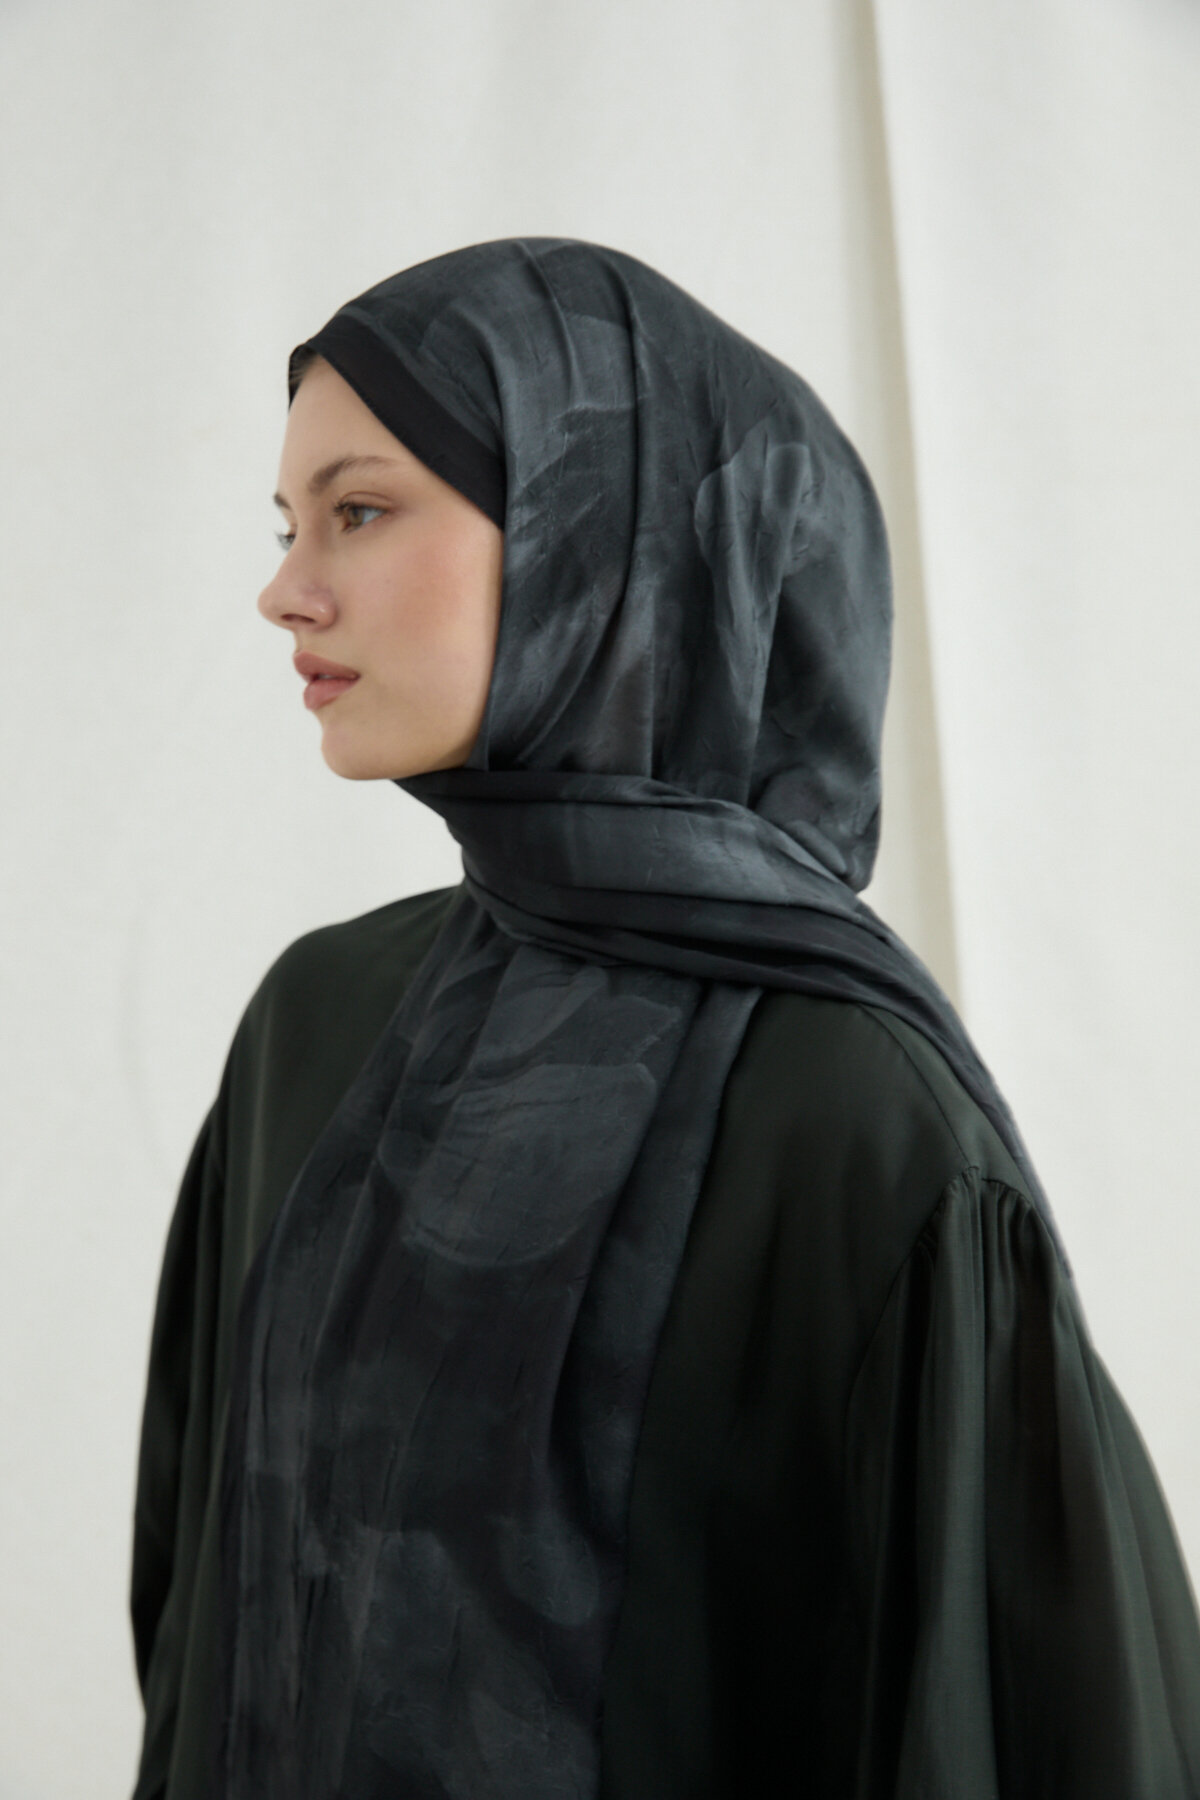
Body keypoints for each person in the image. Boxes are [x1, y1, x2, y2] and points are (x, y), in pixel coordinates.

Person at [129, 237, 1200, 1800]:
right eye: (289, 524)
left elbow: (1015, 1735)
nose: (285, 589)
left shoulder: (850, 1107)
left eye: (357, 510)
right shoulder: (318, 1022)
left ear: (600, 535)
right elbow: (202, 1627)